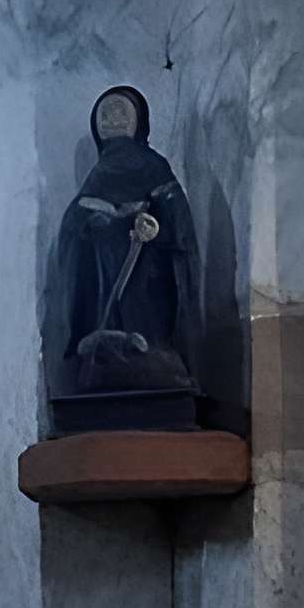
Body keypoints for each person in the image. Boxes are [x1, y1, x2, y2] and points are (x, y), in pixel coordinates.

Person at [51, 84, 201, 403]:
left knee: (148, 336)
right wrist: (93, 229)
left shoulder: (153, 166)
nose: (114, 123)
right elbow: (71, 232)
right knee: (107, 328)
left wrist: (154, 231)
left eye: (121, 115)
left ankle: (153, 362)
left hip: (148, 275)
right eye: (108, 117)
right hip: (106, 277)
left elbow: (179, 226)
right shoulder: (98, 174)